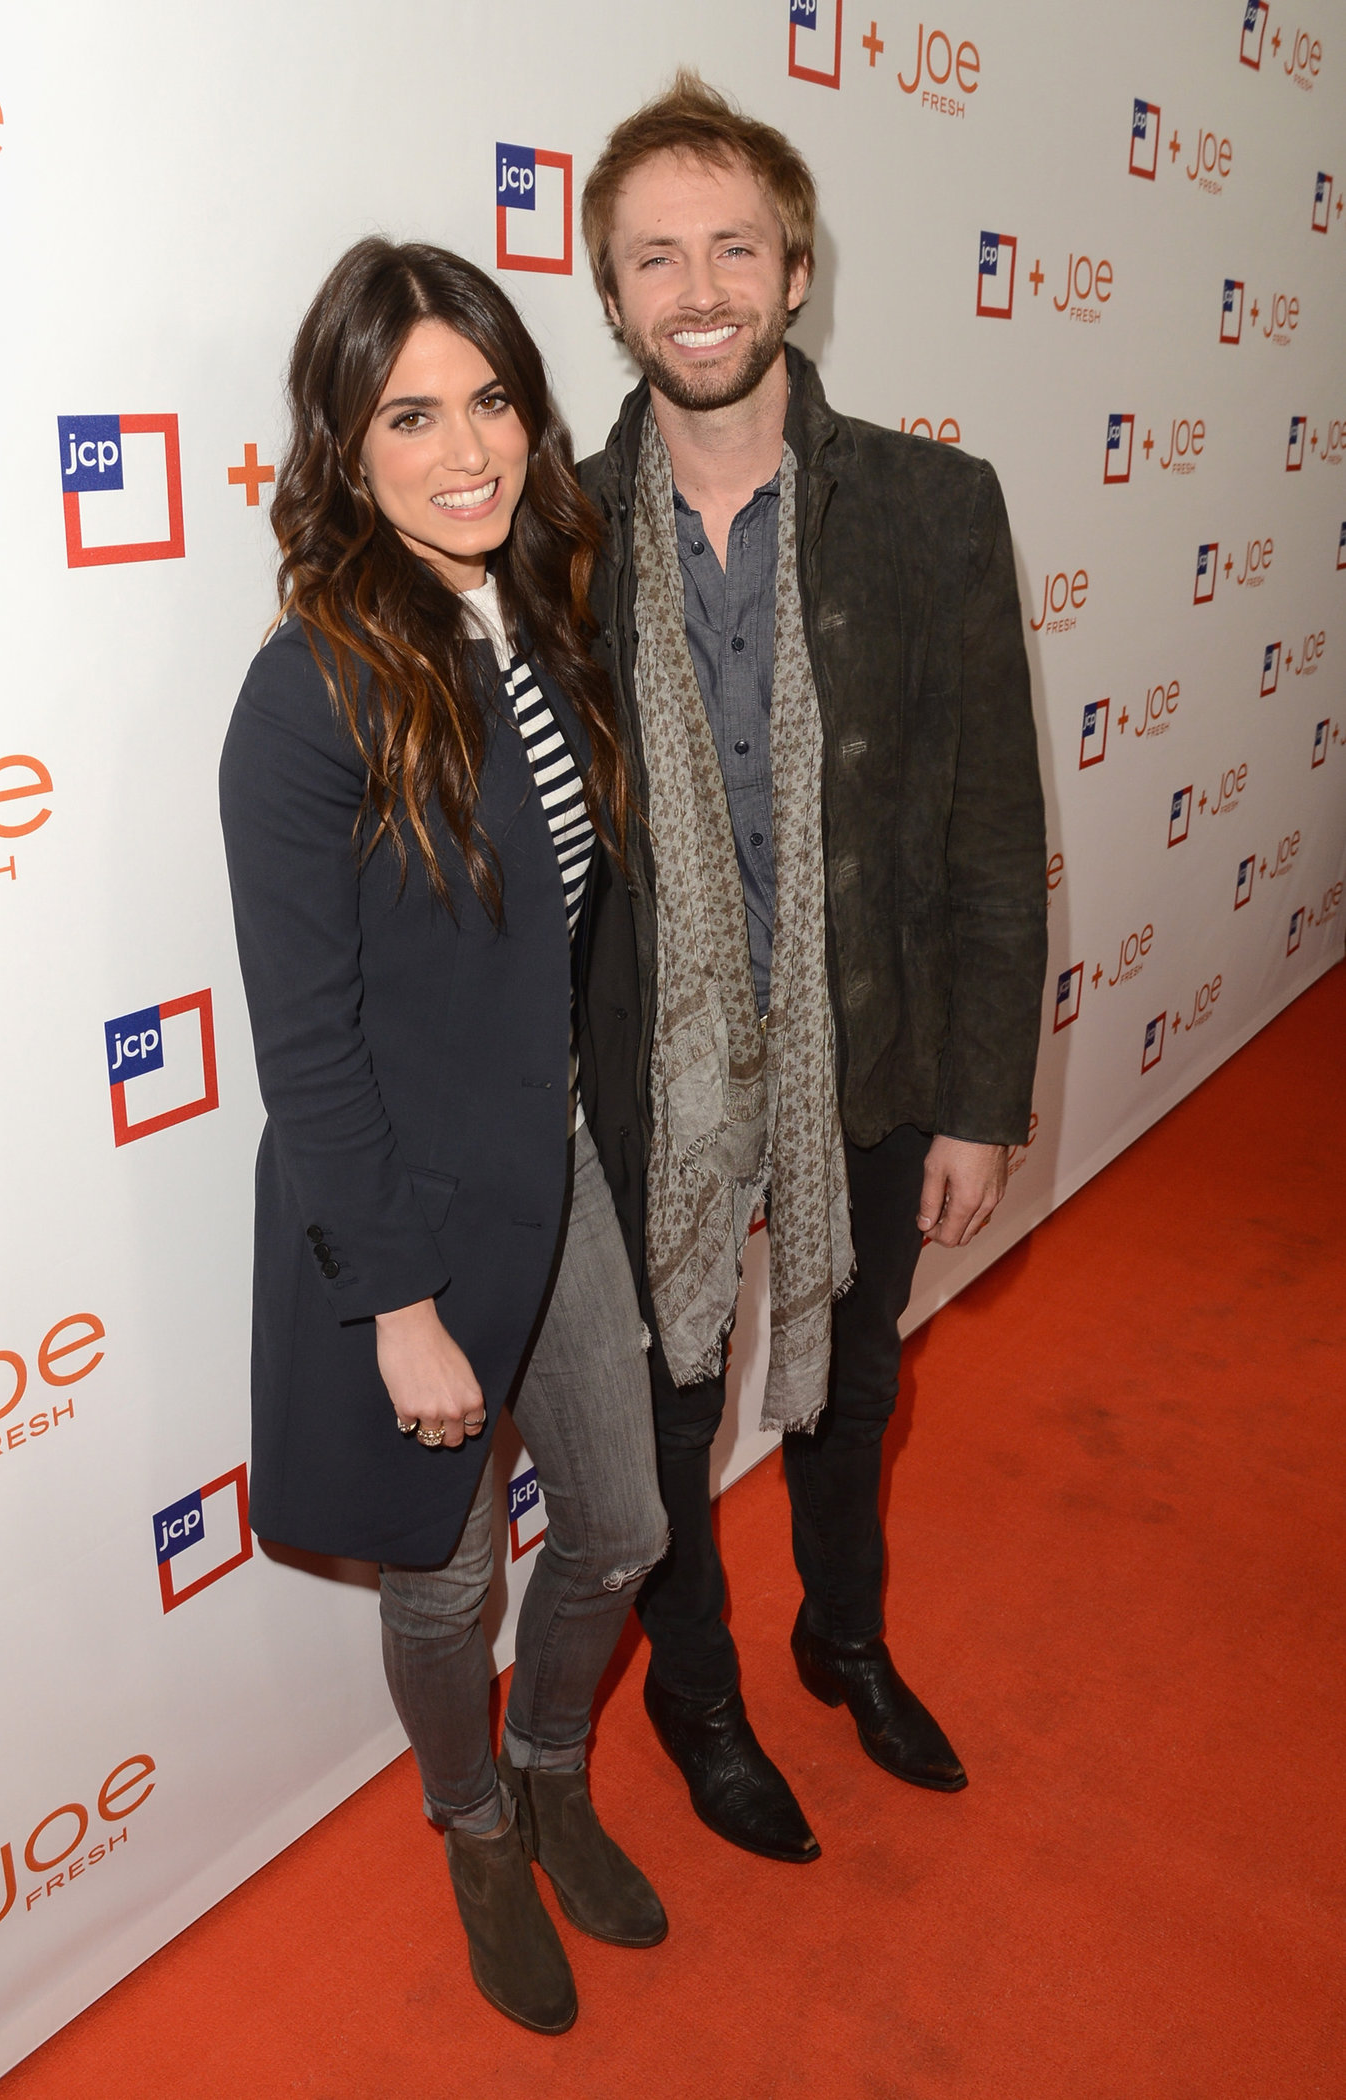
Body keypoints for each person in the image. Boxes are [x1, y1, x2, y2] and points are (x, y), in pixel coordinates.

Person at [576, 77, 1048, 1863]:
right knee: (674, 1402)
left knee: (854, 1388)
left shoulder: (934, 509)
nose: (698, 287)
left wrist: (980, 1099)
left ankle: (841, 1637)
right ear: (611, 294)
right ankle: (695, 1688)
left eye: (733, 248)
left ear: (794, 272)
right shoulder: (548, 533)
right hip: (652, 1080)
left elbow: (995, 834)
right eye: (655, 257)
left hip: (872, 1043)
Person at [219, 238, 668, 2033]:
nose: (467, 445)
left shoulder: (532, 611)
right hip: (407, 1218)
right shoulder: (310, 685)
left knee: (623, 1527)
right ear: (345, 442)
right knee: (449, 1573)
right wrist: (395, 1301)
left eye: (490, 398)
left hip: (552, 1172)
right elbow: (304, 1042)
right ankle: (474, 1821)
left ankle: (552, 1768)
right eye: (413, 412)